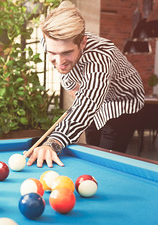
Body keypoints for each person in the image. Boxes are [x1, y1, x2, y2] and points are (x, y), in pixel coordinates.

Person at [26, 1, 145, 167]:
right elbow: (75, 87)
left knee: (105, 159)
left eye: (67, 53)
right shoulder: (47, 41)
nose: (59, 61)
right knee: (91, 149)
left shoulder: (100, 56)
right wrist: (74, 89)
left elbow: (88, 104)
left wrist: (54, 141)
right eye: (53, 53)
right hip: (96, 100)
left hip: (122, 103)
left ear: (82, 43)